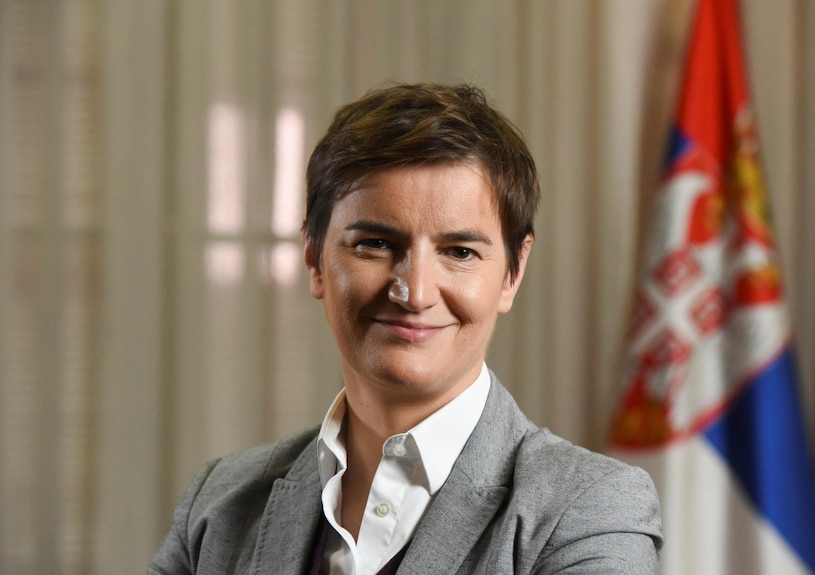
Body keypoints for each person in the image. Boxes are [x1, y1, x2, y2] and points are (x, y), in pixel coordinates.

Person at [148, 83, 662, 574]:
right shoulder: (219, 504)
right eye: (374, 243)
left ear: (512, 274)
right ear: (313, 258)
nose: (414, 293)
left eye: (460, 252)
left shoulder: (589, 512)